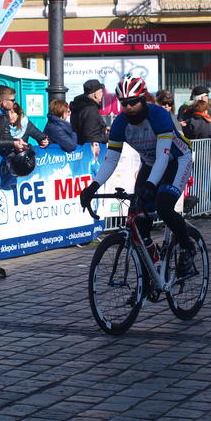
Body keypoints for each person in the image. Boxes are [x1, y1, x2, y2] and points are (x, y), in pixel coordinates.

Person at [79, 75, 196, 276]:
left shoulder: (158, 115)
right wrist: (93, 186)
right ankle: (153, 266)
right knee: (137, 216)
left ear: (142, 99)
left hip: (176, 160)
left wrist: (151, 185)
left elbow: (163, 157)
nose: (128, 107)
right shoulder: (120, 123)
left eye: (133, 102)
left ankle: (188, 247)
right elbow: (111, 160)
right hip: (150, 163)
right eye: (123, 103)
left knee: (164, 206)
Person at [70, 79, 108, 157]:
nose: (102, 94)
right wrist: (108, 136)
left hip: (79, 150)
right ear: (95, 95)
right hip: (90, 153)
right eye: (101, 92)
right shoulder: (91, 109)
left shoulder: (79, 106)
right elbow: (91, 136)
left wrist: (103, 128)